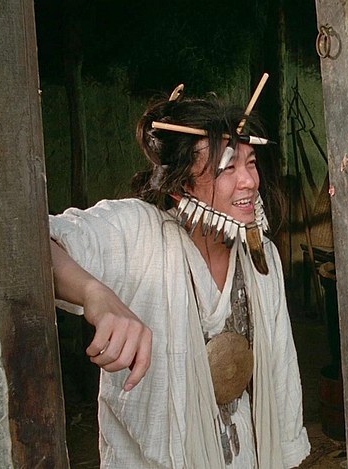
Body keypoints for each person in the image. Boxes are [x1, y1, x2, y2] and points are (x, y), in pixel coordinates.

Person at [49, 84, 310, 467]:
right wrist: (94, 294)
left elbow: (281, 370)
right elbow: (35, 243)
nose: (249, 182)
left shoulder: (261, 255)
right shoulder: (137, 232)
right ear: (183, 186)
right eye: (228, 168)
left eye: (250, 163)